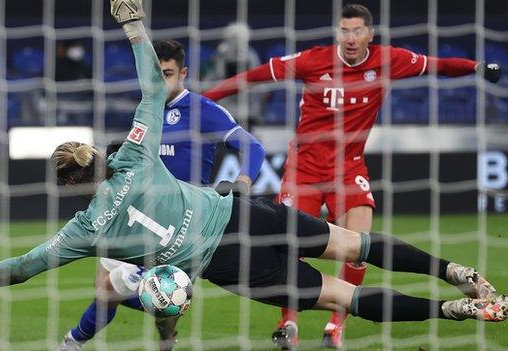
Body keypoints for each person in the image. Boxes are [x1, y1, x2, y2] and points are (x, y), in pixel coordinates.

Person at [0, 3, 507, 351]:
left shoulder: (83, 230)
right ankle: (459, 274)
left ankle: (455, 314)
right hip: (243, 212)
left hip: (229, 264)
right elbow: (149, 87)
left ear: (68, 188)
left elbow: (22, 267)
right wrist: (136, 27)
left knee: (342, 296)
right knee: (357, 245)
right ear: (99, 157)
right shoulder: (136, 153)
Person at [201, 4, 502, 349]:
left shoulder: (390, 60)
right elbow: (253, 76)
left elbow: (439, 66)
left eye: (357, 31)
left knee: (360, 246)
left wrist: (476, 67)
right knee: (288, 245)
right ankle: (288, 325)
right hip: (305, 169)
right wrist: (201, 102)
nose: (350, 38)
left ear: (370, 35)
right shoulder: (314, 59)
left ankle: (335, 327)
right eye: (344, 31)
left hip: (349, 168)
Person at [60, 39, 265, 351]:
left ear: (183, 73)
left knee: (133, 293)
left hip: (178, 225)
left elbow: (253, 146)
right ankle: (156, 333)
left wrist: (244, 183)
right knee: (105, 289)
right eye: (154, 75)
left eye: (167, 74)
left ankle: (77, 341)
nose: (159, 82)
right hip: (133, 214)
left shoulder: (202, 110)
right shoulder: (146, 112)